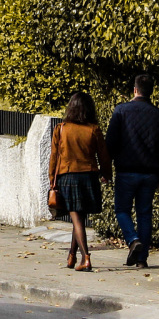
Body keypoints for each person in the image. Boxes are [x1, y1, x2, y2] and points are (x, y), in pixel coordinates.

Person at [106, 74, 159, 268]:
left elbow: (110, 143)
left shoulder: (121, 111)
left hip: (126, 171)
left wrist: (105, 170)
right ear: (151, 91)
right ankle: (142, 259)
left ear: (135, 90)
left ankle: (133, 239)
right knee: (144, 214)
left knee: (121, 210)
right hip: (150, 174)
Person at [49, 91, 112, 272]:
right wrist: (106, 174)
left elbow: (54, 157)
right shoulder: (93, 129)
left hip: (68, 176)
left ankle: (85, 257)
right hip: (89, 176)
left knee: (76, 217)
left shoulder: (61, 129)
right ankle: (71, 255)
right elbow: (104, 156)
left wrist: (52, 180)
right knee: (79, 218)